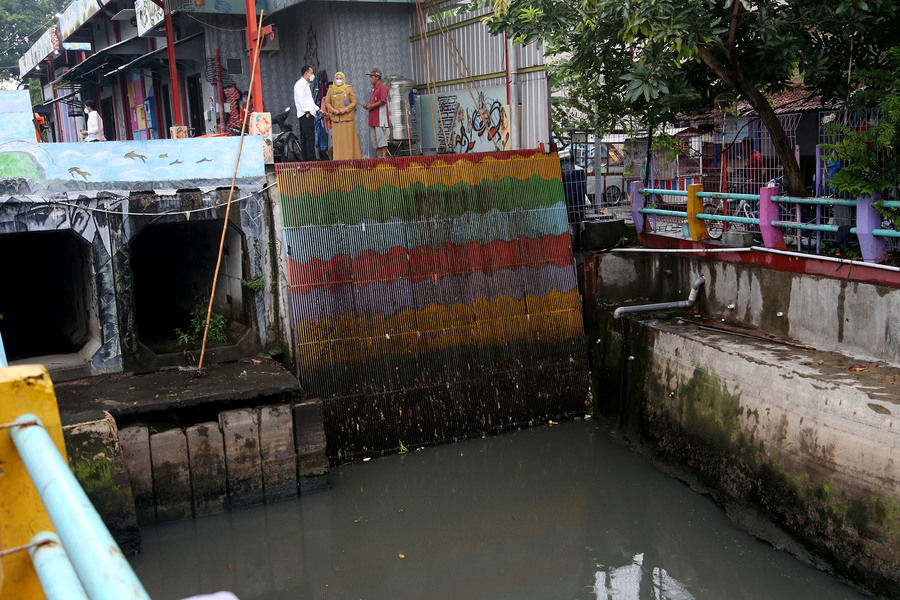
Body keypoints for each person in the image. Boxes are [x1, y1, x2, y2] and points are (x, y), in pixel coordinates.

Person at [324, 72, 361, 160]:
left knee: (348, 141)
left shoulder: (349, 89)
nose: (339, 80)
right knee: (338, 142)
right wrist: (333, 110)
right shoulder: (331, 89)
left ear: (344, 79)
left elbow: (354, 102)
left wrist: (345, 109)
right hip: (337, 120)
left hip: (347, 119)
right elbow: (327, 103)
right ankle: (339, 161)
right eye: (337, 78)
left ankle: (352, 160)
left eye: (340, 78)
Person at [293, 64, 321, 161]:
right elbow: (301, 100)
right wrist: (307, 111)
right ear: (306, 73)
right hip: (306, 114)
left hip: (308, 113)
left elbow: (309, 101)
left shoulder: (305, 85)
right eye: (311, 73)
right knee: (309, 138)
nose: (313, 75)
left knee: (307, 137)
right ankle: (311, 159)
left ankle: (307, 159)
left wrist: (317, 109)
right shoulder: (300, 84)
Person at [363, 67, 389, 159]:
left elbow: (383, 100)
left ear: (377, 77)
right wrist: (368, 106)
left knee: (381, 139)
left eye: (371, 77)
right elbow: (374, 102)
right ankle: (379, 158)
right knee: (375, 141)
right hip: (373, 118)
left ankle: (384, 158)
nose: (370, 79)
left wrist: (371, 106)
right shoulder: (373, 90)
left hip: (380, 118)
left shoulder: (383, 87)